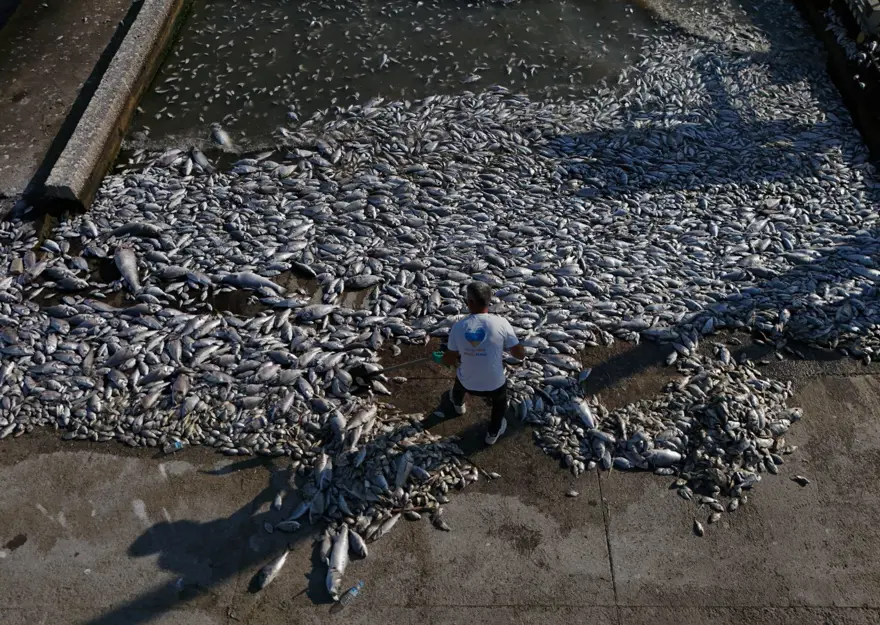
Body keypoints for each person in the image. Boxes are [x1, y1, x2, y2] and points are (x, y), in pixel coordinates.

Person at [434, 281, 526, 445]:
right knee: (499, 403)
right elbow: (519, 355)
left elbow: (449, 359)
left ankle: (458, 406)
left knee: (459, 381)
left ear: (470, 302)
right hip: (495, 385)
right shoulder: (502, 323)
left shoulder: (458, 326)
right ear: (489, 301)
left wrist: (440, 356)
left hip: (467, 383)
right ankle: (493, 433)